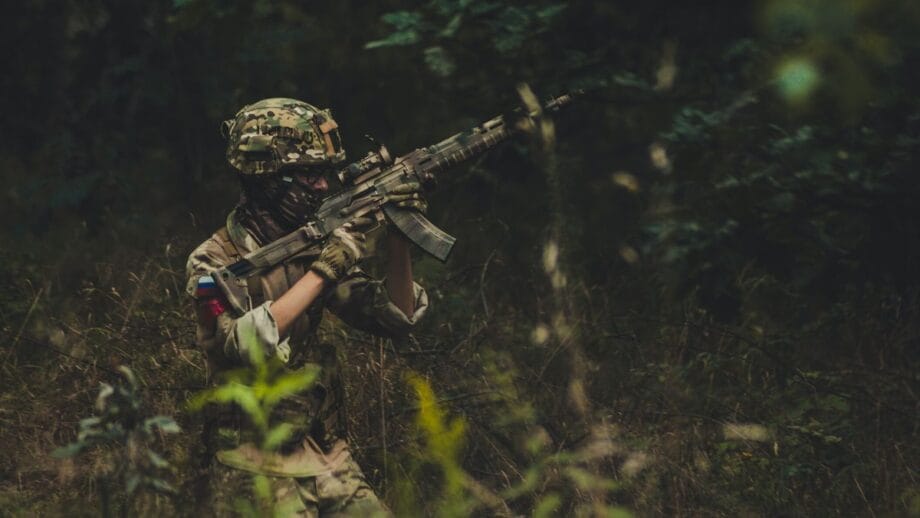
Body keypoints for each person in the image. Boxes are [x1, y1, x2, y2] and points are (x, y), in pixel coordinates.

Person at [185, 98, 428, 516]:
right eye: (308, 175)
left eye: (325, 174)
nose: (322, 186)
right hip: (253, 464)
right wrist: (326, 268)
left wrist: (399, 235)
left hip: (326, 455)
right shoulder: (212, 262)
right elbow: (243, 344)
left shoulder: (313, 241)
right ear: (267, 178)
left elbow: (394, 318)